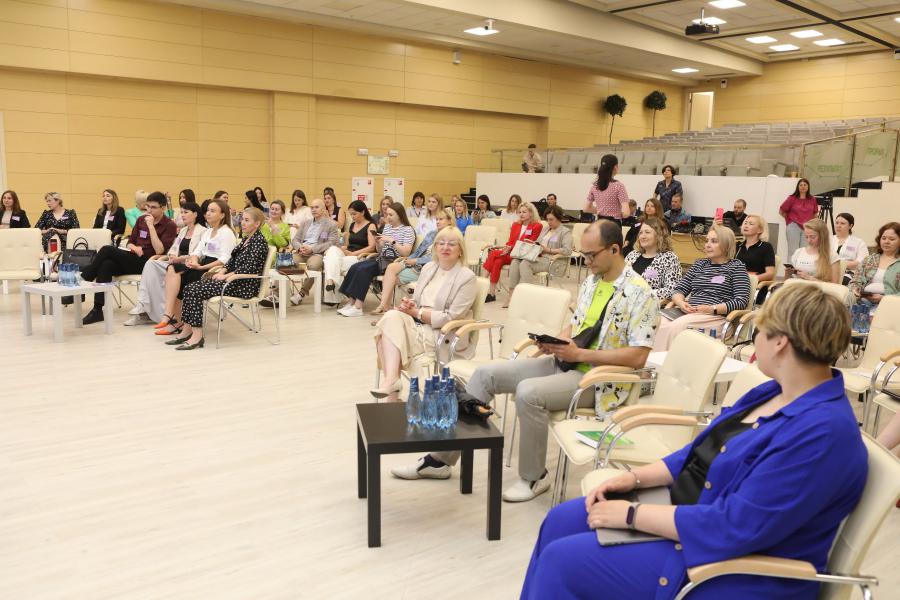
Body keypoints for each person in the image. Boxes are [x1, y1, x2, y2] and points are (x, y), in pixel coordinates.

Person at [522, 283, 866, 600]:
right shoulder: (773, 391)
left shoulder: (823, 434)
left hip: (731, 567)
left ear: (780, 343)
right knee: (560, 521)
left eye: (759, 330)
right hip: (694, 517)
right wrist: (636, 478)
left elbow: (734, 526)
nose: (755, 339)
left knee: (561, 562)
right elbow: (703, 450)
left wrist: (631, 514)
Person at [391, 221, 658, 502]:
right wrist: (557, 342)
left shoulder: (641, 294)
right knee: (484, 375)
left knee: (529, 393)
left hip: (599, 380)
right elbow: (579, 324)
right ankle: (440, 460)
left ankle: (534, 476)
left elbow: (638, 356)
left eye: (591, 255)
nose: (586, 261)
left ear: (614, 250)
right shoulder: (593, 281)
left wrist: (580, 355)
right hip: (566, 362)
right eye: (584, 254)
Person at [371, 227, 478, 401]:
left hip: (444, 333)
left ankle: (392, 393)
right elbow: (419, 301)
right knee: (390, 317)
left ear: (460, 250)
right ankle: (392, 382)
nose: (445, 247)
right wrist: (410, 305)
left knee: (387, 334)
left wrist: (417, 312)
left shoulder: (467, 277)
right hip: (420, 324)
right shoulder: (429, 268)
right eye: (441, 243)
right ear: (434, 247)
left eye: (452, 244)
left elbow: (451, 317)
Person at [171, 208, 269, 351]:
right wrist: (222, 270)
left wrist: (225, 276)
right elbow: (231, 260)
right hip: (233, 281)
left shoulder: (259, 242)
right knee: (189, 287)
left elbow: (250, 269)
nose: (242, 223)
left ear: (257, 223)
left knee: (194, 290)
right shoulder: (246, 239)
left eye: (247, 220)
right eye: (242, 219)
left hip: (243, 285)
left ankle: (196, 336)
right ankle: (187, 331)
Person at [81, 192, 177, 325]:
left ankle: (84, 279)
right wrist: (134, 247)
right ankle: (97, 310)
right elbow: (130, 242)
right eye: (148, 206)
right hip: (133, 257)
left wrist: (151, 227)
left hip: (150, 263)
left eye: (153, 207)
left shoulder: (169, 225)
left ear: (163, 208)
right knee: (106, 265)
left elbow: (160, 250)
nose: (149, 210)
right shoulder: (141, 220)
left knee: (107, 249)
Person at [654, 224, 750, 351]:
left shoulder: (736, 267)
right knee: (656, 323)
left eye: (714, 241)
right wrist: (681, 303)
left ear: (726, 245)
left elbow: (741, 301)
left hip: (716, 318)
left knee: (678, 327)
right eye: (707, 241)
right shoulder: (700, 264)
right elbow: (679, 290)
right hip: (689, 312)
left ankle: (666, 362)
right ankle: (653, 361)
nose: (708, 245)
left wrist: (712, 309)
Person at [153, 199, 235, 334]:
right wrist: (195, 262)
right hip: (202, 264)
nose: (208, 213)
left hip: (213, 269)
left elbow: (224, 259)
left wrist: (201, 267)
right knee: (172, 268)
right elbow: (197, 252)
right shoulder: (209, 231)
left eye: (212, 211)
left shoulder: (226, 233)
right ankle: (170, 316)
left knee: (180, 278)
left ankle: (177, 322)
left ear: (222, 215)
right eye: (207, 211)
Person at [124, 201, 206, 327]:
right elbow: (173, 249)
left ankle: (155, 311)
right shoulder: (183, 230)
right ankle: (143, 304)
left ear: (195, 214)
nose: (182, 215)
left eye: (186, 212)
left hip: (188, 265)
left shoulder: (203, 231)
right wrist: (169, 256)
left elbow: (200, 255)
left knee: (156, 267)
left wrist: (180, 258)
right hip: (174, 263)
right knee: (151, 263)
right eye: (181, 212)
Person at [369, 208, 453, 316]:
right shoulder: (432, 234)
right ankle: (385, 308)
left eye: (441, 219)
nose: (437, 222)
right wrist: (408, 259)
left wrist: (416, 261)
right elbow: (418, 251)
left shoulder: (450, 237)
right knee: (391, 267)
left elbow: (438, 259)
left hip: (425, 268)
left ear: (449, 221)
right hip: (414, 262)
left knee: (389, 278)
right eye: (436, 219)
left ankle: (385, 309)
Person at [337, 202, 414, 317]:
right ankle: (351, 302)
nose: (388, 217)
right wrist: (378, 243)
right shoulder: (387, 227)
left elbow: (406, 252)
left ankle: (358, 306)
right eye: (387, 214)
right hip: (382, 258)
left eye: (391, 215)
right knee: (355, 267)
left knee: (363, 270)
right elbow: (380, 250)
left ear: (399, 215)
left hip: (394, 261)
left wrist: (392, 241)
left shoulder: (408, 230)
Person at [505, 205, 572, 307]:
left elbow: (567, 250)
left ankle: (525, 296)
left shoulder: (565, 232)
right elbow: (537, 242)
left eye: (551, 219)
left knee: (525, 264)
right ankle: (511, 295)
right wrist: (533, 244)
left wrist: (548, 250)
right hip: (538, 256)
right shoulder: (546, 229)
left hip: (553, 260)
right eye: (547, 219)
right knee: (515, 261)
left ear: (559, 218)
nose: (549, 222)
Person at [283, 198, 340, 305]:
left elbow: (331, 243)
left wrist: (312, 249)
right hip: (301, 252)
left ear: (323, 209)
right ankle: (277, 294)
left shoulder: (331, 224)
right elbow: (295, 240)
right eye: (312, 207)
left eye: (316, 207)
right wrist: (300, 247)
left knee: (313, 267)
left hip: (317, 253)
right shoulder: (305, 223)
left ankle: (301, 293)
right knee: (283, 263)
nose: (313, 209)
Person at [482, 201, 542, 303]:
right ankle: (491, 294)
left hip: (522, 255)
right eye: (520, 212)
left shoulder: (537, 226)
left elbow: (527, 244)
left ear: (531, 213)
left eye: (524, 212)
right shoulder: (515, 225)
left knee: (494, 254)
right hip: (510, 252)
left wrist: (509, 248)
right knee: (497, 261)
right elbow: (510, 242)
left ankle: (482, 282)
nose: (521, 214)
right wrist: (505, 247)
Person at [322, 200, 375, 303]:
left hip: (360, 257)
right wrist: (342, 248)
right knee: (332, 250)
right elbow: (348, 245)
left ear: (363, 212)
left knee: (330, 262)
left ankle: (333, 293)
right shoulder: (352, 225)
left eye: (354, 214)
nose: (352, 217)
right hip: (348, 254)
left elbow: (372, 247)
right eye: (351, 214)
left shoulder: (371, 226)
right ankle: (330, 282)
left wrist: (353, 253)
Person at [624, 217, 682, 301]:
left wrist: (642, 294)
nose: (642, 236)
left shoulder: (670, 258)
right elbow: (620, 280)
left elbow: (672, 289)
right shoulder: (632, 255)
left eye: (647, 232)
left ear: (659, 235)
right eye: (640, 233)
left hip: (650, 304)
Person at [849, 221, 900, 304]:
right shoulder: (870, 259)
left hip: (890, 304)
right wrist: (855, 289)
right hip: (862, 300)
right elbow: (855, 280)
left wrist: (884, 298)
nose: (886, 241)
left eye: (892, 239)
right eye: (883, 238)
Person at [735, 214, 776, 304]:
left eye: (751, 224)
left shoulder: (766, 247)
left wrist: (750, 279)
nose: (746, 225)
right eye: (745, 223)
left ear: (759, 230)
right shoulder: (738, 246)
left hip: (756, 288)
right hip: (737, 287)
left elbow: (770, 273)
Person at [787, 218, 840, 284]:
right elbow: (787, 280)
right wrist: (788, 273)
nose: (809, 240)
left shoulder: (831, 255)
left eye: (812, 237)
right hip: (796, 287)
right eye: (806, 237)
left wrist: (809, 278)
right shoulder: (799, 252)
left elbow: (835, 285)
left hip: (816, 289)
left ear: (822, 236)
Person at [584, 154, 630, 223]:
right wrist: (617, 213)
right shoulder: (619, 186)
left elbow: (586, 208)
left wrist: (601, 211)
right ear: (615, 167)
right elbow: (626, 213)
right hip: (613, 224)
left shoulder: (595, 186)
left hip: (599, 223)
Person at [780, 178, 818, 260]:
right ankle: (791, 268)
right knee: (793, 250)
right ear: (798, 187)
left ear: (808, 187)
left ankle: (801, 267)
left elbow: (815, 214)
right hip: (793, 226)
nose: (803, 186)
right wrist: (790, 220)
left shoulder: (812, 199)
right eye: (801, 185)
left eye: (805, 185)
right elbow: (781, 211)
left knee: (804, 250)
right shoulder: (791, 198)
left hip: (807, 228)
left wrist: (813, 226)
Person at [832, 212, 869, 285]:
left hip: (849, 274)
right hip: (828, 272)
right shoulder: (828, 240)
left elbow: (862, 262)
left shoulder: (859, 242)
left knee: (842, 281)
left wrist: (837, 265)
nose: (838, 226)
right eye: (837, 223)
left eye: (842, 223)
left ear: (850, 226)